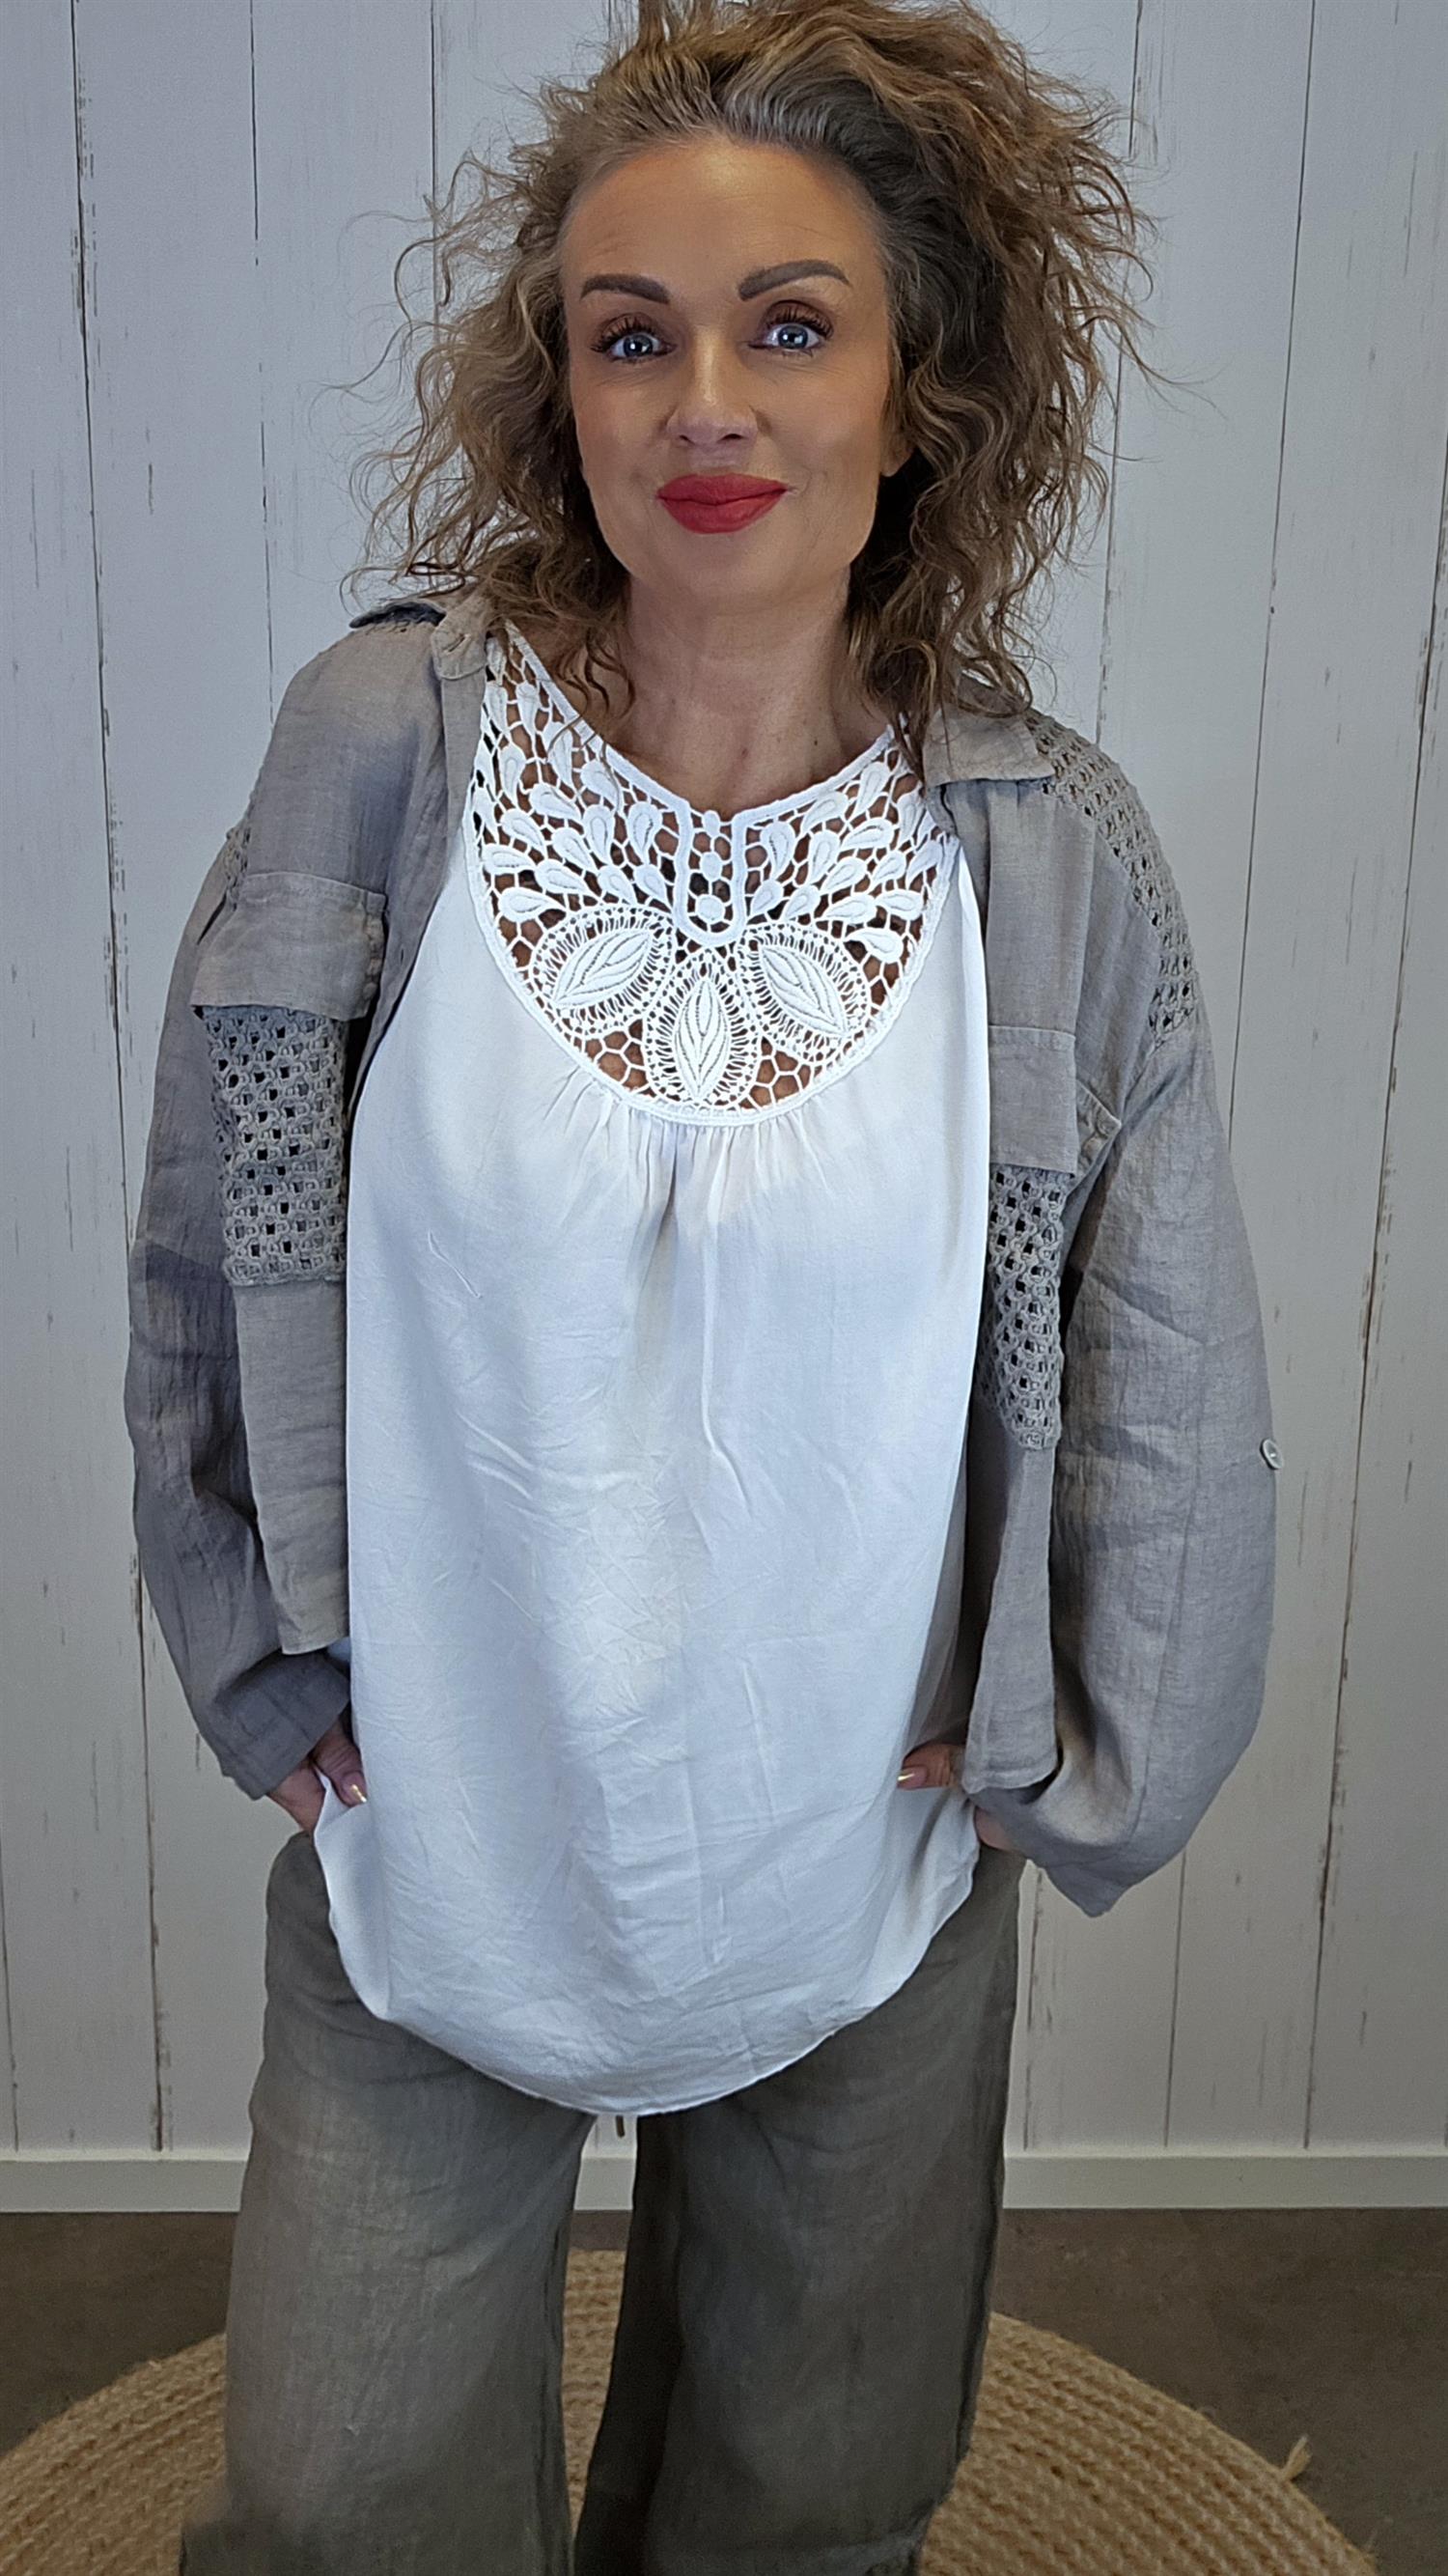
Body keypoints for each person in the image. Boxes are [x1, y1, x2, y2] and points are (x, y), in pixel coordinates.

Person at [125, 2, 1278, 2568]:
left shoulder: (1041, 858)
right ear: (558, 389)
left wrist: (1065, 1743)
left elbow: (1159, 1375)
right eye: (629, 333)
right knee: (337, 2503)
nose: (704, 403)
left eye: (789, 324)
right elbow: (219, 1234)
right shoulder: (388, 751)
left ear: (917, 387)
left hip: (859, 1853)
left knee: (810, 2497)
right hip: (439, 1832)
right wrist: (260, 1648)